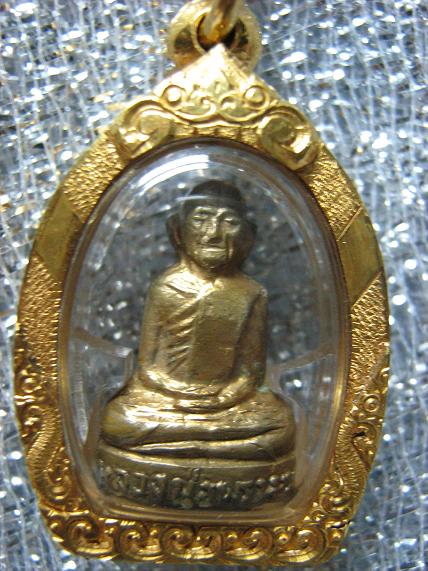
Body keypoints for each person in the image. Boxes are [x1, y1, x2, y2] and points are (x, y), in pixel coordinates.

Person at [96, 180, 296, 508]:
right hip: (167, 400)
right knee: (118, 420)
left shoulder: (251, 293)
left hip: (225, 402)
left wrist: (224, 397)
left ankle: (192, 447)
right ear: (177, 231)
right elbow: (147, 366)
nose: (214, 234)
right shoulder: (165, 288)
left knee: (281, 423)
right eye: (201, 219)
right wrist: (180, 394)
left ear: (249, 235)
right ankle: (218, 447)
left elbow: (252, 373)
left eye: (229, 222)